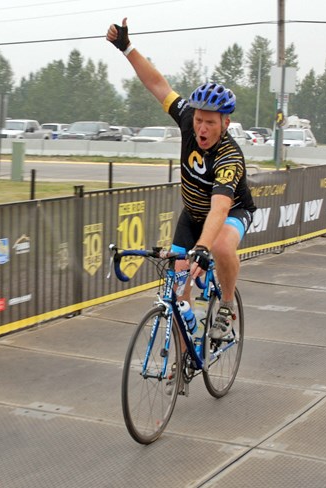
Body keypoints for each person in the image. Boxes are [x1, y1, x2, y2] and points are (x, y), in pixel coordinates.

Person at [107, 18, 256, 339]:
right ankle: (182, 360)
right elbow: (157, 83)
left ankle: (227, 304)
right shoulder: (188, 118)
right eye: (199, 121)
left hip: (231, 212)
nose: (202, 129)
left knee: (219, 244)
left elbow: (219, 210)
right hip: (192, 216)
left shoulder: (230, 157)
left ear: (225, 123)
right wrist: (126, 48)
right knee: (178, 296)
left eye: (210, 123)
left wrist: (202, 248)